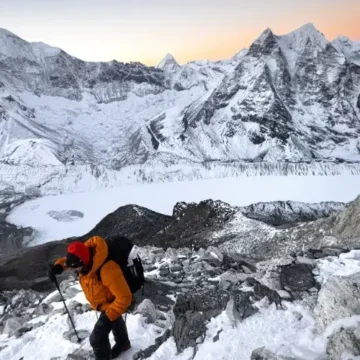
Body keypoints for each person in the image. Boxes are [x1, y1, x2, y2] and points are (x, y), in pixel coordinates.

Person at [48, 236, 133, 360]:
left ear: (83, 263)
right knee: (116, 321)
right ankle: (123, 344)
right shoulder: (85, 257)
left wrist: (109, 316)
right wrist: (59, 266)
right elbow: (71, 260)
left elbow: (125, 297)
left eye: (75, 268)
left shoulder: (107, 270)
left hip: (112, 303)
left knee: (96, 339)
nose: (73, 271)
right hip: (105, 300)